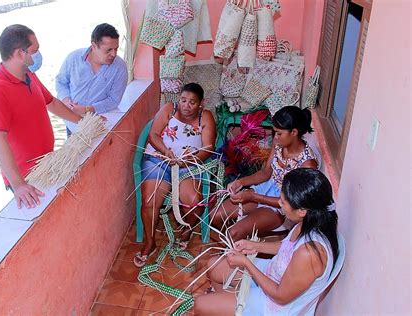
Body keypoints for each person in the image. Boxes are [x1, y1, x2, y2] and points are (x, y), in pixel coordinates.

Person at [195, 168, 340, 315]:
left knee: (201, 305)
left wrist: (247, 263)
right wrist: (253, 245)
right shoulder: (306, 222)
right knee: (213, 265)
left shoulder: (309, 253)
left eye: (283, 202)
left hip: (274, 305)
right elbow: (285, 247)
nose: (279, 203)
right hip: (273, 272)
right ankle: (227, 304)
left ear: (302, 210)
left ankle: (229, 305)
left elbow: (280, 296)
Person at [0, 24, 82, 209]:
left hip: (47, 163)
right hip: (27, 177)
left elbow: (51, 102)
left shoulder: (29, 75)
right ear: (20, 53)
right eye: (35, 51)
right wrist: (18, 185)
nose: (38, 55)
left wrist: (83, 122)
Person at [134, 83, 216, 267]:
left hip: (188, 165)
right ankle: (150, 243)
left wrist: (190, 159)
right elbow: (153, 135)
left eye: (192, 102)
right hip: (159, 160)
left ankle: (186, 232)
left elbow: (208, 147)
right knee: (149, 201)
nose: (186, 105)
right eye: (183, 100)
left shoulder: (206, 116)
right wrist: (166, 152)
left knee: (195, 201)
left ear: (201, 103)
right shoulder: (169, 109)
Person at [211, 106, 318, 241]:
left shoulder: (307, 164)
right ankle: (237, 246)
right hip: (265, 189)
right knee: (215, 215)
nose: (276, 137)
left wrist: (253, 197)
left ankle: (238, 248)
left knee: (233, 233)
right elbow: (266, 172)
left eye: (279, 133)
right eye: (275, 132)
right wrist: (241, 182)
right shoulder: (279, 143)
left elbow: (292, 203)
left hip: (282, 206)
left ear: (294, 132)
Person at [56, 23, 128, 136]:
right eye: (108, 50)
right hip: (72, 123)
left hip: (99, 123)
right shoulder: (73, 58)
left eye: (116, 49)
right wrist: (66, 101)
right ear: (94, 46)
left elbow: (114, 100)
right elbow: (61, 82)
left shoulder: (120, 67)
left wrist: (87, 109)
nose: (113, 54)